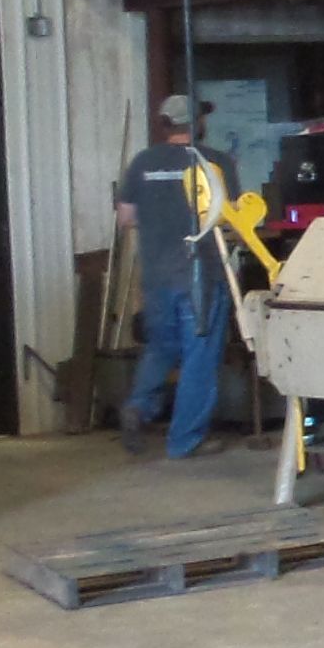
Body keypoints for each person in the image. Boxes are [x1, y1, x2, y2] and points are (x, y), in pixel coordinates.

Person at [116, 94, 240, 459]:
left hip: (156, 275)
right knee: (199, 358)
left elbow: (126, 218)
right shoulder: (214, 162)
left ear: (165, 124)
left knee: (161, 348)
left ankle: (138, 406)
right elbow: (232, 217)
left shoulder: (143, 162)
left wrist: (159, 217)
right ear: (198, 122)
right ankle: (185, 439)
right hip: (200, 276)